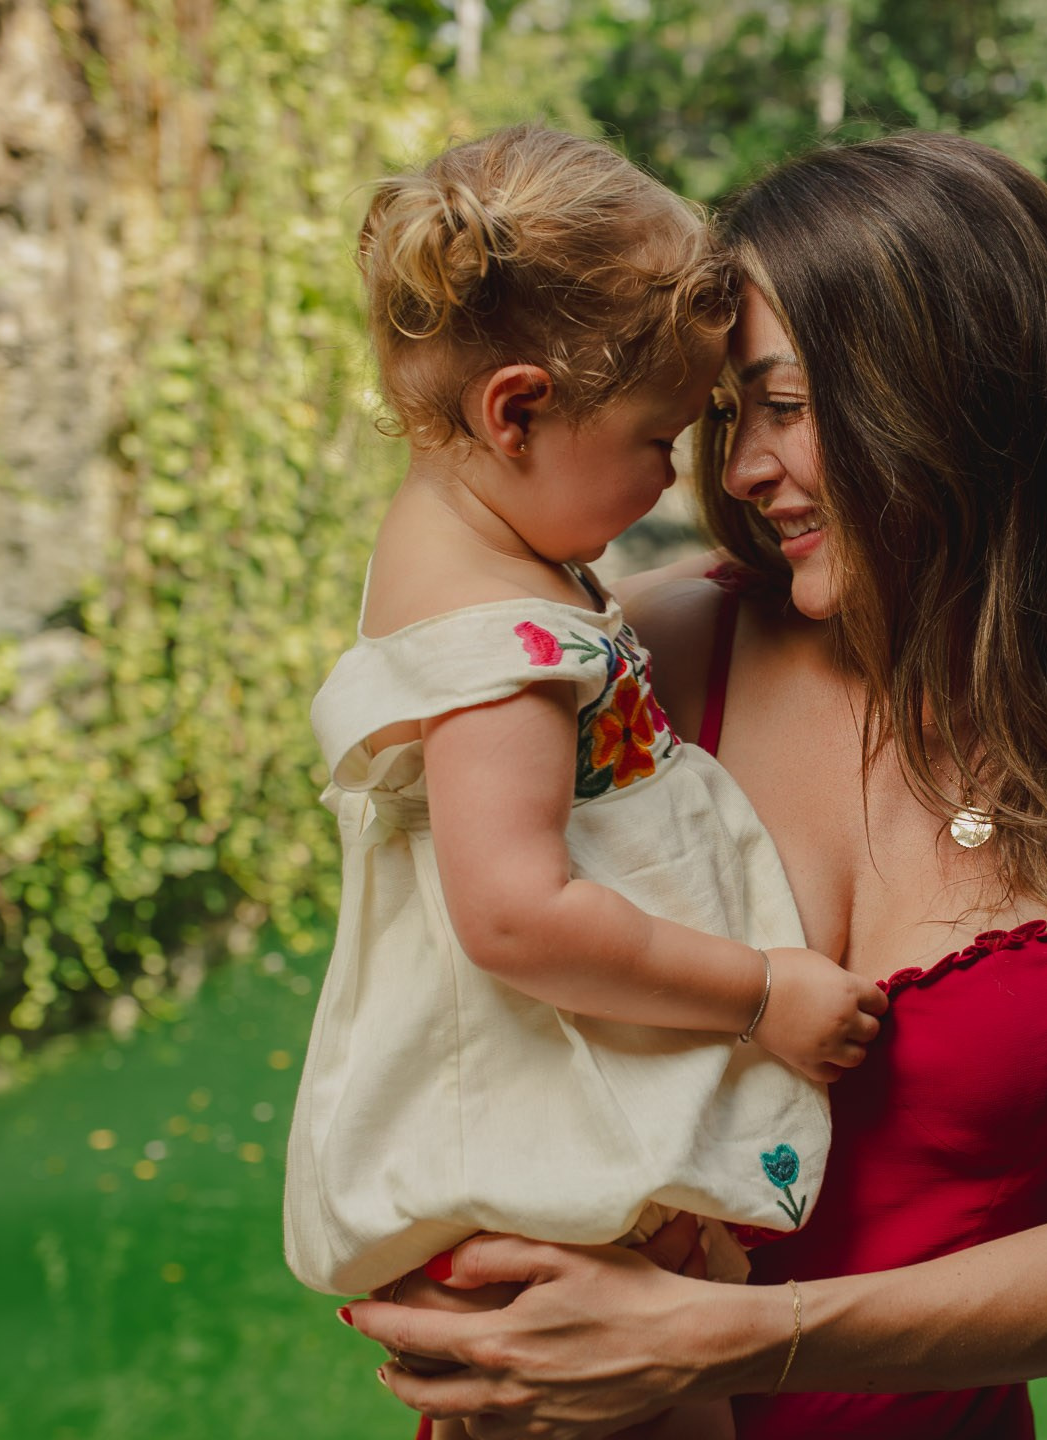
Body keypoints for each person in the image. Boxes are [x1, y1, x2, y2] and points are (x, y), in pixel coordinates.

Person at [342, 130, 1047, 1440]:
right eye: (722, 420)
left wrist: (721, 1340)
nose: (746, 472)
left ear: (959, 391)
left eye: (786, 406)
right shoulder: (647, 654)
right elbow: (450, 1009)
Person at [289, 123, 890, 1440]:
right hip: (526, 1178)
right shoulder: (500, 649)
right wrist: (762, 994)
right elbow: (517, 915)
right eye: (657, 439)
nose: (682, 478)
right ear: (516, 411)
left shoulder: (476, 550)